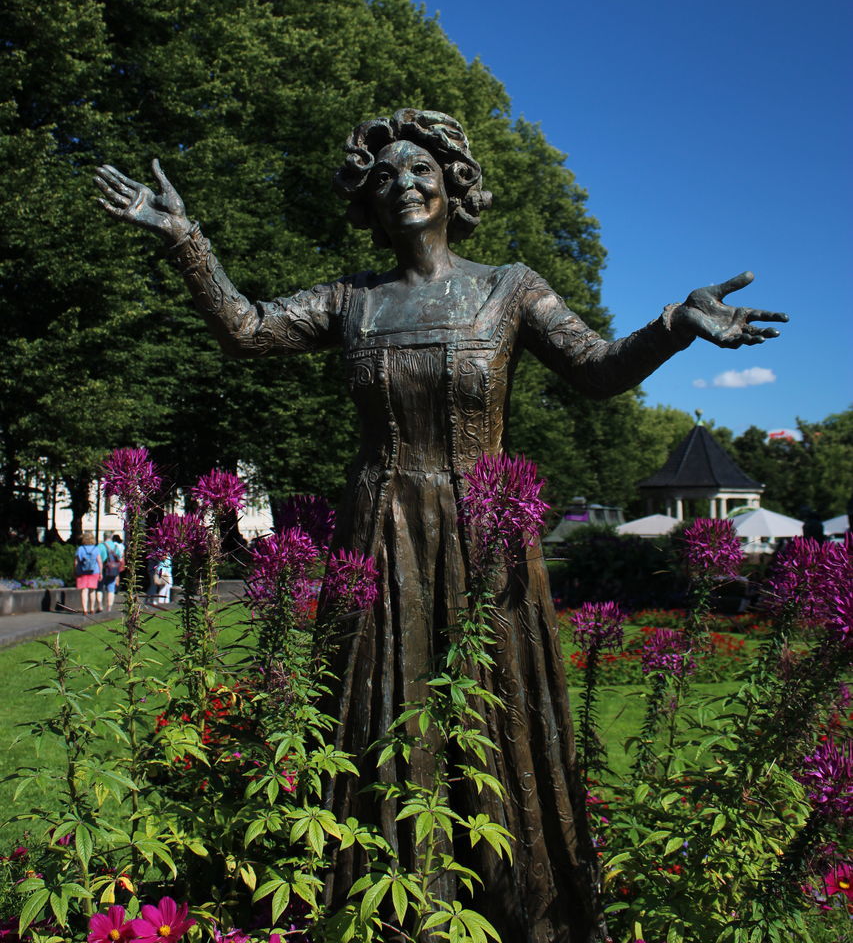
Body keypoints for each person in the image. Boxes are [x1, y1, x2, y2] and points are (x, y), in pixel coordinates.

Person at [95, 108, 787, 943]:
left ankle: (516, 905)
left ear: (454, 185)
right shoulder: (350, 299)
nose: (404, 184)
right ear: (368, 199)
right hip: (378, 532)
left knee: (497, 706)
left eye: (421, 168)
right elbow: (246, 329)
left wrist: (674, 324)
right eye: (384, 175)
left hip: (486, 534)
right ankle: (382, 906)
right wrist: (184, 240)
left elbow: (598, 371)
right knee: (376, 705)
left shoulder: (509, 288)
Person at [74, 531, 102, 616]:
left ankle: (85, 610)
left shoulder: (80, 549)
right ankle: (92, 608)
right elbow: (99, 562)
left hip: (82, 571)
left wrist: (75, 570)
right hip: (94, 571)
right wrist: (101, 572)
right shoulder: (96, 549)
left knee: (84, 590)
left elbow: (76, 562)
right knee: (92, 590)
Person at [100, 531, 124, 612]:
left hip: (103, 569)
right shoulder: (115, 546)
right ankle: (109, 607)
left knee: (99, 588)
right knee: (111, 588)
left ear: (104, 536)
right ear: (111, 537)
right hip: (113, 569)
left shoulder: (100, 546)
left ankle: (100, 605)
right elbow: (120, 559)